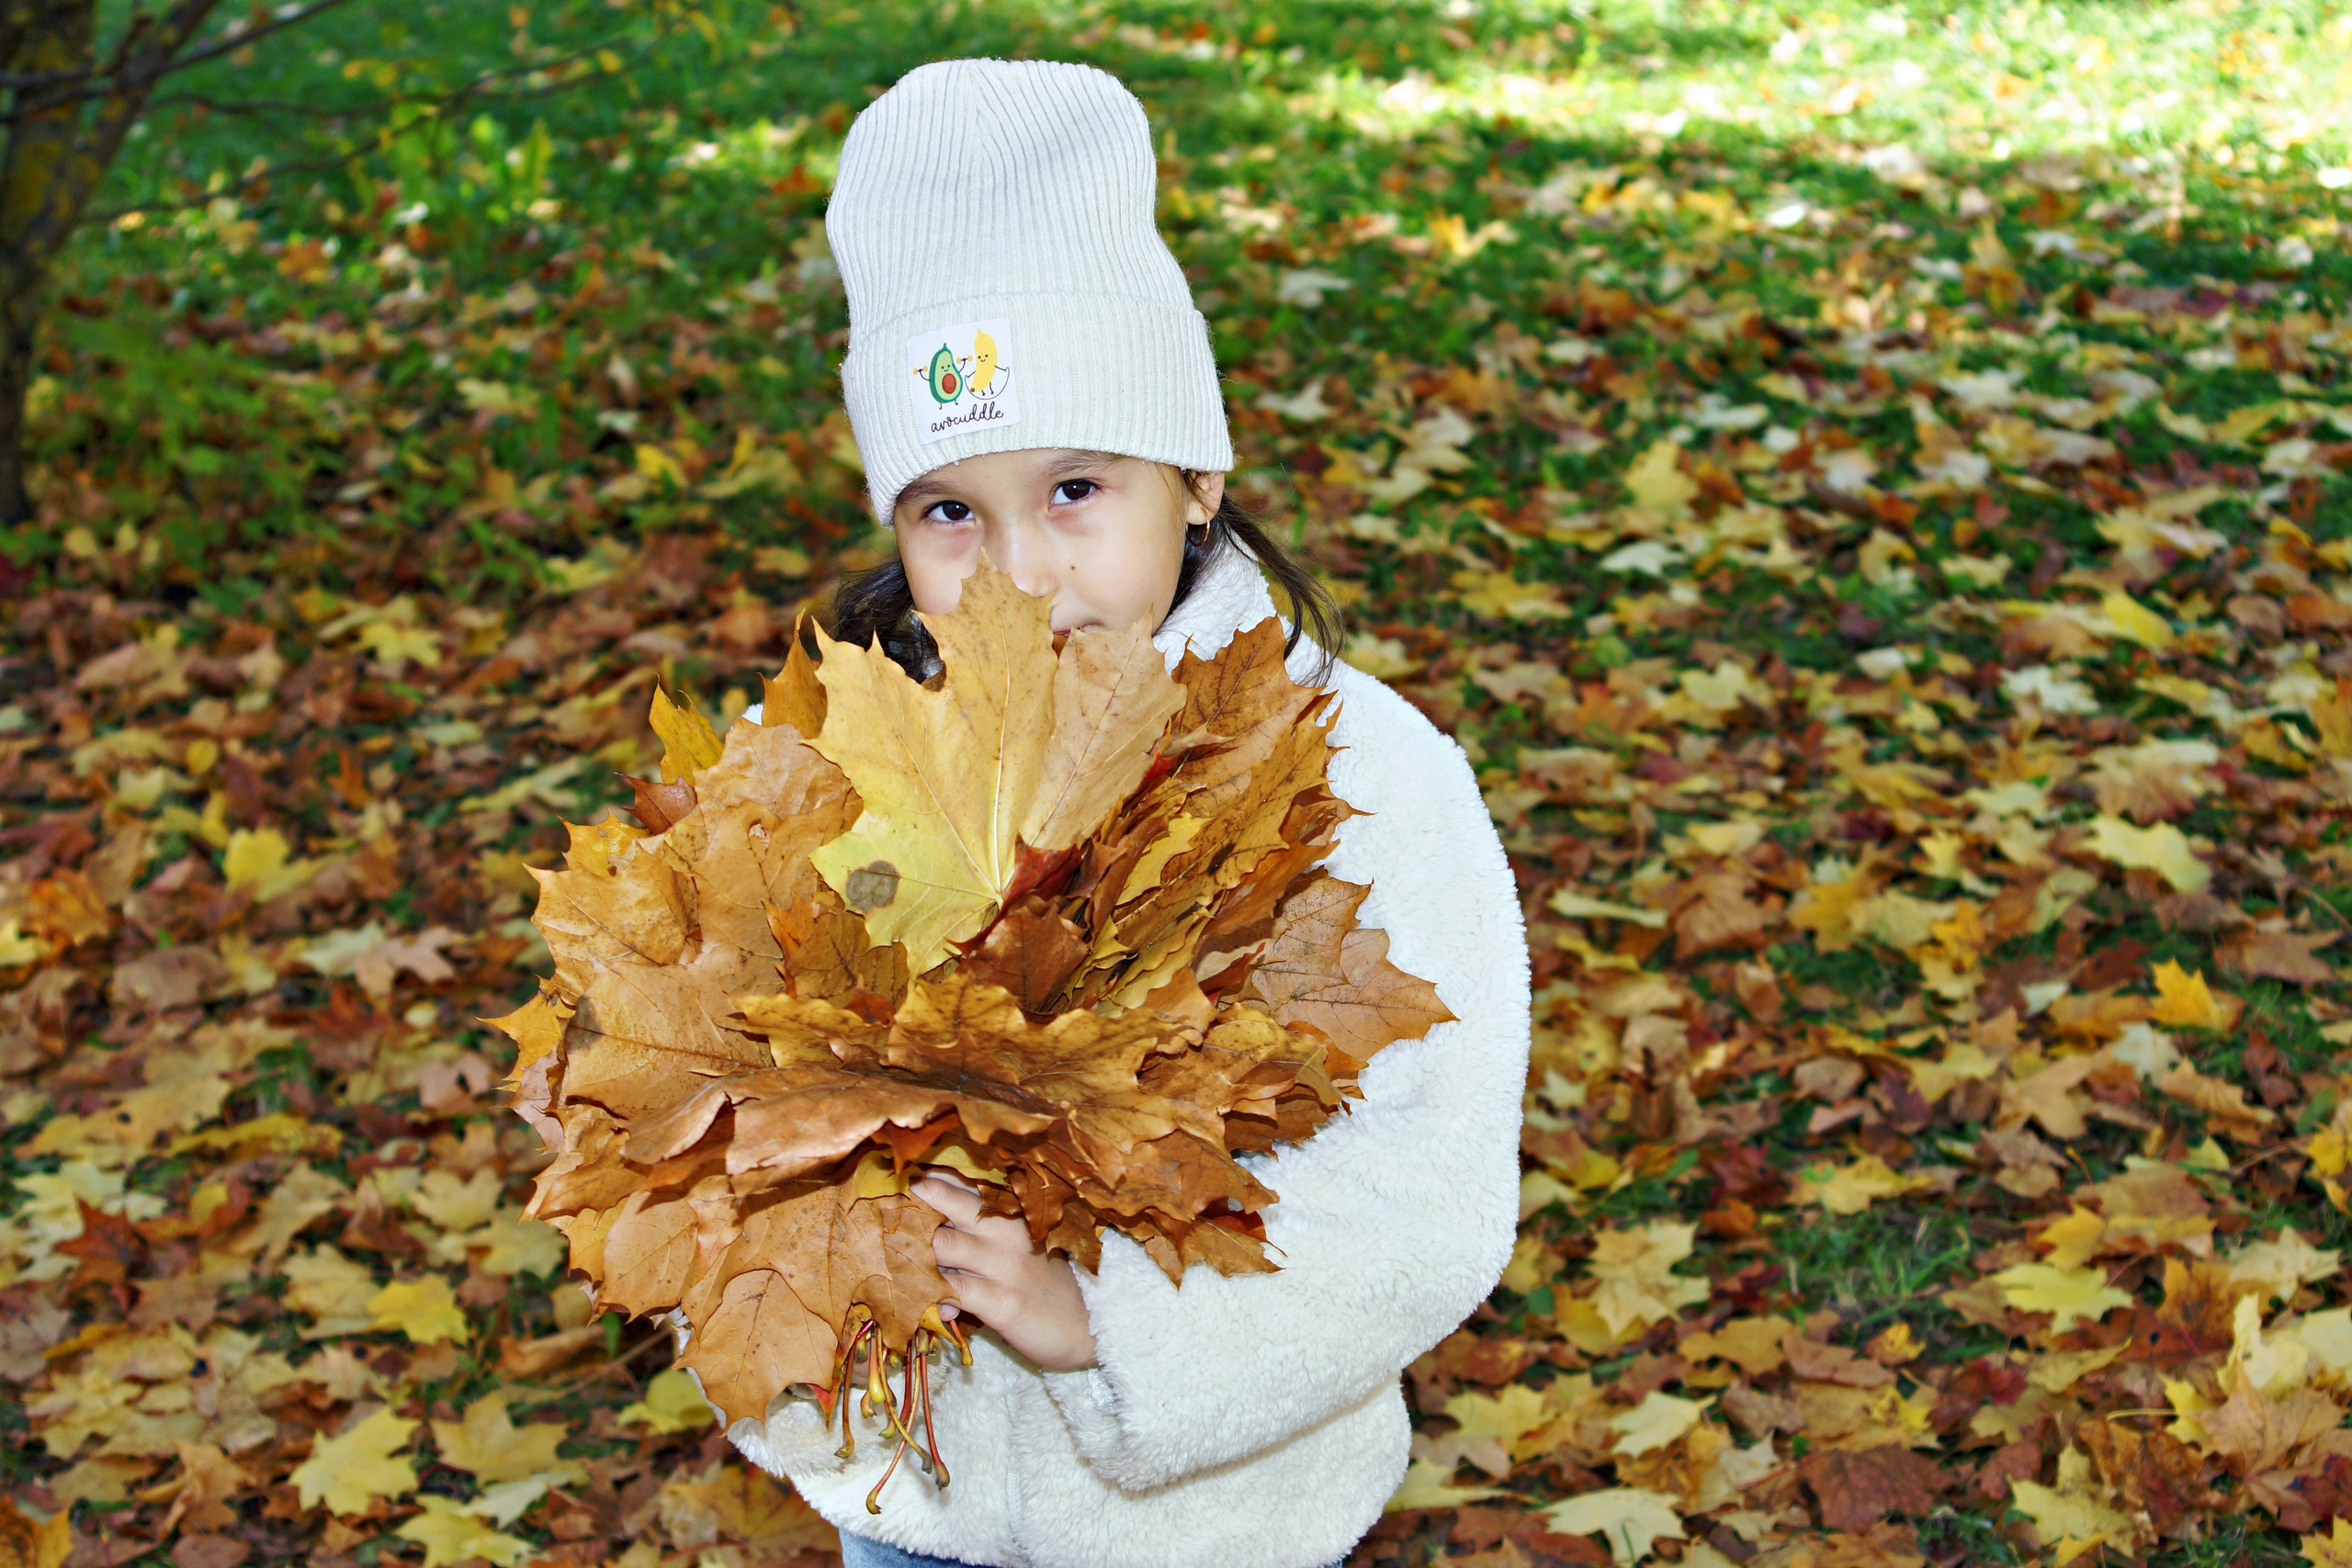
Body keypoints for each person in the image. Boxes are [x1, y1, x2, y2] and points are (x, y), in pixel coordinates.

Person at [729, 57, 1530, 1568]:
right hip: (923, 1494)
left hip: (1214, 1520)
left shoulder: (1360, 777)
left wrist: (1104, 1323)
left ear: (1199, 475)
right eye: (951, 511)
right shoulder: (834, 756)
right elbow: (720, 1073)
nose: (1021, 571)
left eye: (1078, 488)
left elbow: (1419, 1194)